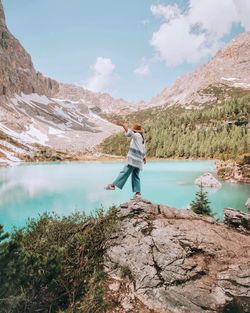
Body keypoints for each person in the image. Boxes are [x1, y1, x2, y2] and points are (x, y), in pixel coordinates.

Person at [105, 121, 146, 197]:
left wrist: (123, 125)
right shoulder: (142, 138)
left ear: (135, 130)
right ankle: (138, 193)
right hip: (139, 160)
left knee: (124, 171)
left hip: (133, 159)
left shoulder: (136, 135)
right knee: (135, 175)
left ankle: (113, 185)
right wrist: (144, 158)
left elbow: (129, 133)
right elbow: (143, 149)